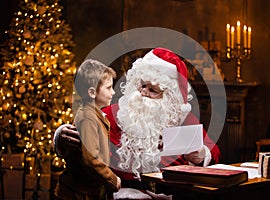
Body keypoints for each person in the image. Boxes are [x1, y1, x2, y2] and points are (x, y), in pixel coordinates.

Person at [54, 47, 221, 189]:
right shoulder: (115, 113)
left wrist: (200, 154)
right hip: (120, 192)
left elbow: (214, 152)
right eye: (142, 85)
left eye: (153, 90)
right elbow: (82, 136)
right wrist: (62, 135)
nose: (144, 92)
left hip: (169, 194)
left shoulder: (182, 118)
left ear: (169, 97)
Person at [55, 59, 121, 200]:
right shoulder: (87, 118)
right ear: (92, 92)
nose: (113, 92)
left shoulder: (96, 115)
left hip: (88, 191)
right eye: (109, 88)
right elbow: (90, 159)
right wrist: (112, 180)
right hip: (78, 193)